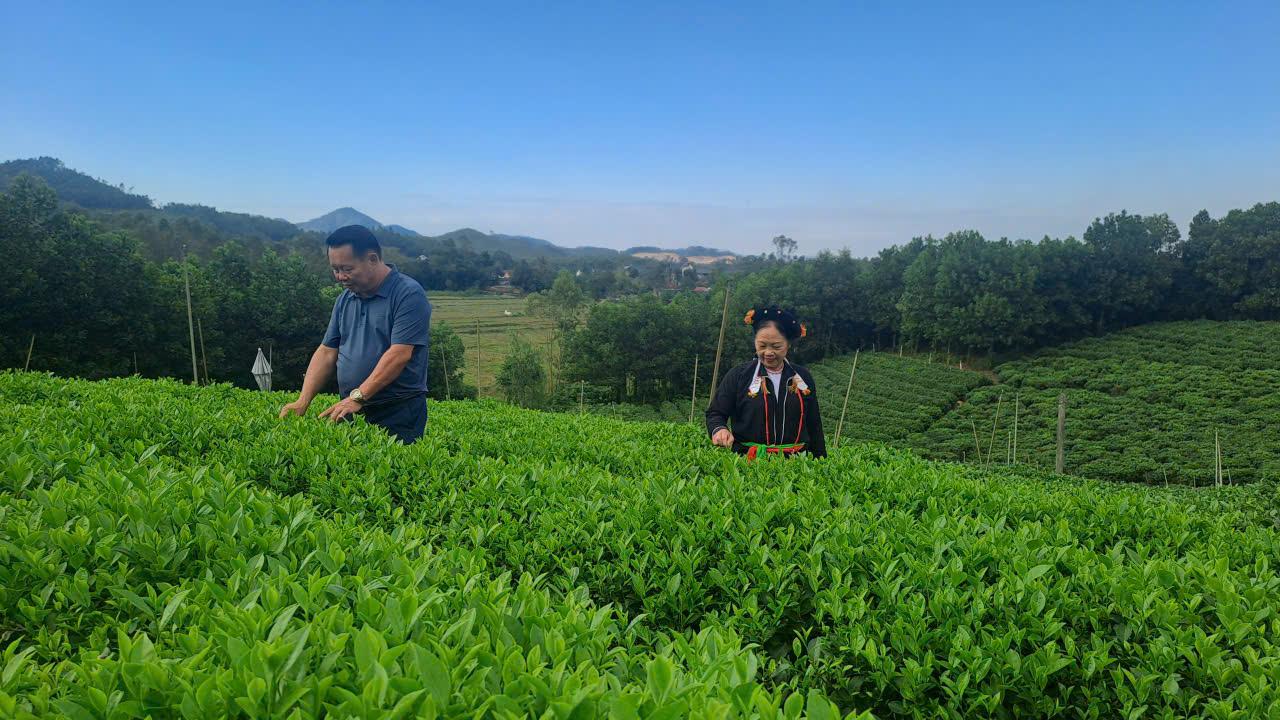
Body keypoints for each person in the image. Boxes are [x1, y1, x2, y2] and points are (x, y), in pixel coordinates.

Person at [279, 225, 432, 443]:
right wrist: (303, 401)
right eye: (335, 269)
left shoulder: (407, 293)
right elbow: (326, 352)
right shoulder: (345, 299)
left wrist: (359, 396)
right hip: (351, 407)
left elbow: (399, 354)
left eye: (347, 269)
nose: (340, 277)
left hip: (396, 411)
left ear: (372, 259)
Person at [705, 306, 826, 459]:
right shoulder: (739, 375)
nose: (768, 352)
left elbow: (814, 424)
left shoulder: (802, 377)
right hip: (748, 461)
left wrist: (820, 460)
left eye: (776, 346)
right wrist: (719, 429)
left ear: (788, 345)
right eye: (762, 346)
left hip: (797, 463)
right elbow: (716, 413)